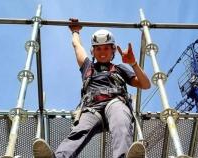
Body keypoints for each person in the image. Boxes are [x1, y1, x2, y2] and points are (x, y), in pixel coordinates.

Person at [33, 18, 151, 158]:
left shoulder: (119, 69)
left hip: (115, 102)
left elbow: (145, 84)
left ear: (113, 50)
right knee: (78, 132)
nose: (102, 52)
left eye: (106, 48)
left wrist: (133, 64)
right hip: (92, 108)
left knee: (121, 122)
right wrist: (75, 31)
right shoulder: (88, 67)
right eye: (98, 48)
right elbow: (77, 45)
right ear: (93, 51)